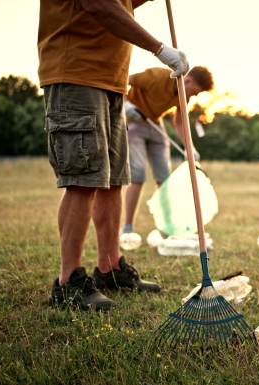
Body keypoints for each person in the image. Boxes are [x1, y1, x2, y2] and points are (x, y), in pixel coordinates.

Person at [39, 0, 189, 310]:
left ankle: (109, 269)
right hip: (76, 74)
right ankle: (68, 283)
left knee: (112, 180)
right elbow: (101, 5)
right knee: (84, 178)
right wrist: (160, 49)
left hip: (111, 81)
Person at [122, 66, 213, 237]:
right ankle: (127, 228)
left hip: (155, 125)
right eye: (195, 92)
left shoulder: (183, 95)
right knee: (138, 175)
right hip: (133, 122)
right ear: (187, 80)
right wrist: (125, 104)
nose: (193, 96)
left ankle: (170, 228)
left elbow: (179, 122)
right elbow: (122, 79)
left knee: (164, 180)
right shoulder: (156, 76)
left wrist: (189, 147)